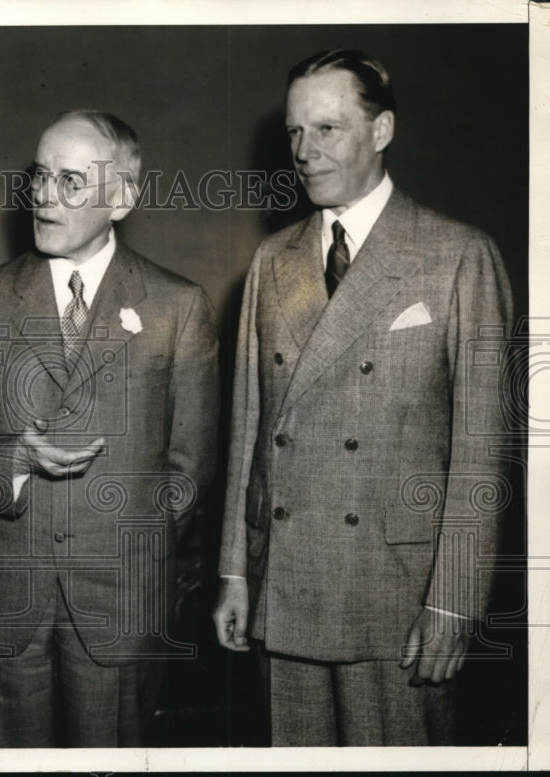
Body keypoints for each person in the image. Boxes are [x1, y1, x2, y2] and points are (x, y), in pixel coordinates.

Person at [213, 49, 513, 746]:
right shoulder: (272, 260)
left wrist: (455, 601)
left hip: (397, 594)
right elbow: (247, 430)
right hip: (284, 584)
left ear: (381, 132)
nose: (303, 152)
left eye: (327, 129)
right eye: (294, 132)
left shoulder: (457, 254)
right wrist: (233, 569)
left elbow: (480, 454)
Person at [0, 110, 219, 747]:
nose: (42, 197)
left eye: (69, 181)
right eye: (38, 177)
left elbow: (190, 469)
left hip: (119, 606)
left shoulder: (178, 307)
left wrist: (130, 554)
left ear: (122, 197)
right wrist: (13, 461)